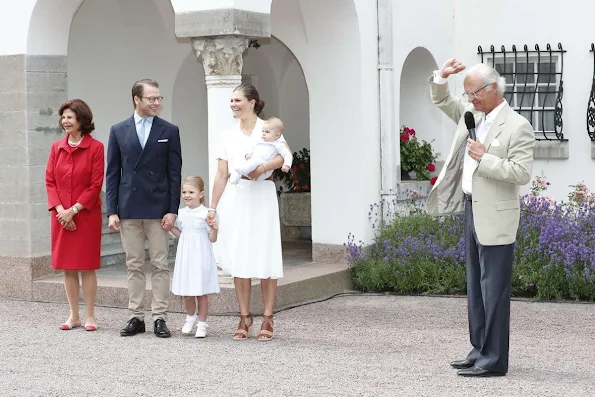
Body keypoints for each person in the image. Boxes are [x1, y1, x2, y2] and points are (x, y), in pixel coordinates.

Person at [427, 59, 535, 377]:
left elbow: (521, 172)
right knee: (475, 287)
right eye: (467, 94)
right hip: (472, 209)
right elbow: (443, 100)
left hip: (497, 219)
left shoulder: (518, 126)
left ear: (491, 89)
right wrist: (440, 77)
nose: (469, 99)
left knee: (495, 290)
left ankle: (494, 360)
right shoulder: (472, 116)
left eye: (472, 92)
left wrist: (483, 158)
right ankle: (478, 351)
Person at [210, 83, 289, 341]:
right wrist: (213, 207)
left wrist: (261, 167)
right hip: (238, 197)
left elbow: (283, 157)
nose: (233, 104)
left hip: (262, 194)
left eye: (237, 100)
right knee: (240, 256)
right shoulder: (227, 135)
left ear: (252, 102)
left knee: (265, 253)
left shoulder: (269, 127)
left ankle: (268, 316)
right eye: (231, 101)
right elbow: (221, 174)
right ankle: (244, 316)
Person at [106, 79, 182, 338]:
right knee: (134, 264)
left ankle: (160, 316)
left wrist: (173, 209)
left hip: (159, 209)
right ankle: (136, 316)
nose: (156, 102)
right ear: (136, 99)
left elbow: (175, 174)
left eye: (158, 98)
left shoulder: (169, 130)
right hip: (128, 207)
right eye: (151, 98)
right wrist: (112, 210)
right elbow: (113, 173)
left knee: (160, 264)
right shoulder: (118, 130)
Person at [45, 99, 104, 332]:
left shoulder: (96, 147)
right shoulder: (55, 147)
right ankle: (73, 315)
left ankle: (90, 315)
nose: (65, 121)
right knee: (68, 267)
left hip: (85, 215)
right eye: (63, 117)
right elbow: (50, 181)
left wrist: (74, 210)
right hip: (61, 216)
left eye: (69, 117)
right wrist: (61, 211)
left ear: (81, 120)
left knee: (87, 266)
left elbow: (95, 183)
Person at [170, 176, 220, 338]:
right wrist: (170, 227)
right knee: (188, 292)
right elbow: (181, 234)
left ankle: (202, 323)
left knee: (201, 291)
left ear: (200, 194)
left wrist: (215, 229)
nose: (187, 195)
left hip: (201, 256)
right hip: (185, 256)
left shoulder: (207, 213)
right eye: (184, 192)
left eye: (191, 192)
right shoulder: (181, 213)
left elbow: (212, 239)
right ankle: (190, 316)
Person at [229, 117, 292, 184]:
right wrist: (249, 155)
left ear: (277, 136)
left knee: (255, 160)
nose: (264, 133)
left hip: (262, 167)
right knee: (241, 161)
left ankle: (242, 170)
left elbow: (287, 154)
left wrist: (287, 165)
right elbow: (254, 149)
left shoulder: (278, 144)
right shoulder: (261, 141)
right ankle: (234, 178)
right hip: (251, 167)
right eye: (263, 131)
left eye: (267, 132)